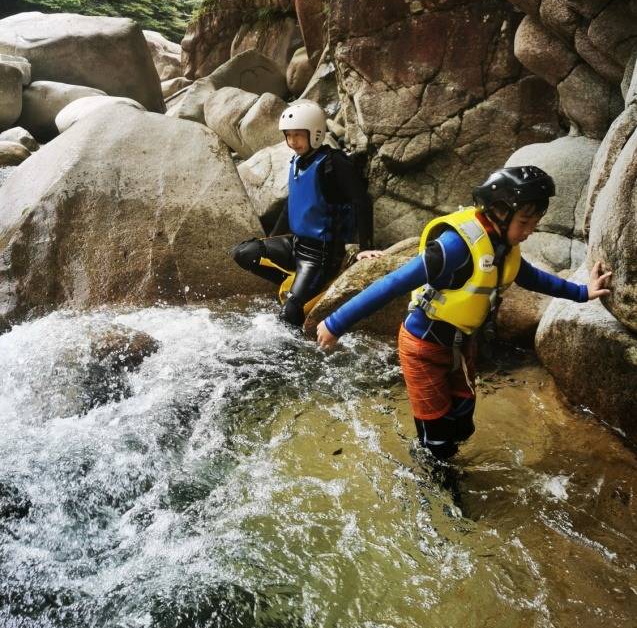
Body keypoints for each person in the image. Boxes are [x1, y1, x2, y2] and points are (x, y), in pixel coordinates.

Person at [316, 166, 612, 461]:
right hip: (423, 347)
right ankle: (436, 482)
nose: (530, 230)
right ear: (499, 212)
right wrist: (335, 323)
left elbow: (534, 278)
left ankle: (439, 453)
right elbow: (392, 284)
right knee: (438, 439)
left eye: (535, 222)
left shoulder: (502, 246)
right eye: (525, 222)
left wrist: (583, 292)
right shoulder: (454, 248)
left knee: (462, 421)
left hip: (461, 345)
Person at [233, 100, 374, 326]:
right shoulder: (299, 161)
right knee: (244, 252)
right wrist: (272, 238)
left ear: (316, 132)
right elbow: (293, 203)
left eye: (298, 135)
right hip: (296, 245)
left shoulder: (333, 163)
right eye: (288, 135)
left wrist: (365, 248)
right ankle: (297, 283)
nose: (292, 141)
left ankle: (299, 297)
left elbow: (361, 201)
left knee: (290, 315)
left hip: (322, 255)